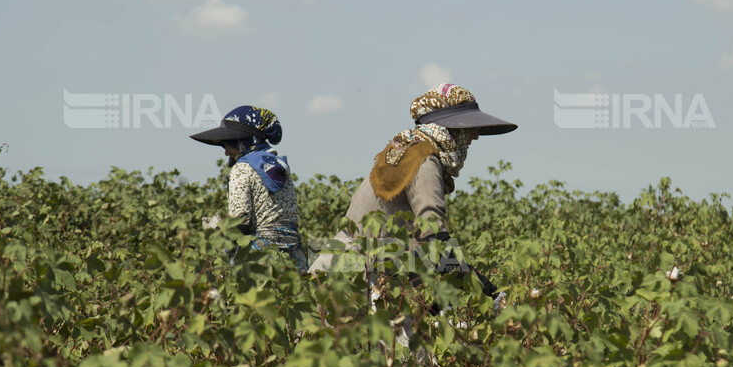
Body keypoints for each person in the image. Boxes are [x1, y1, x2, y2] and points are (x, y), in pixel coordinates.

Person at [307, 83, 516, 298]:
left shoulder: (408, 150)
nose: (475, 136)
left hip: (342, 268)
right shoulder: (424, 160)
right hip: (354, 278)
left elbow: (417, 251)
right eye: (470, 128)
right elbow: (434, 242)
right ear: (452, 129)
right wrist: (486, 291)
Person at [189, 105, 309, 273]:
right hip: (293, 256)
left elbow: (241, 220)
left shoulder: (243, 168)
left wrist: (217, 230)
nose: (226, 152)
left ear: (243, 141)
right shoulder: (279, 166)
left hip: (261, 257)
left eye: (227, 144)